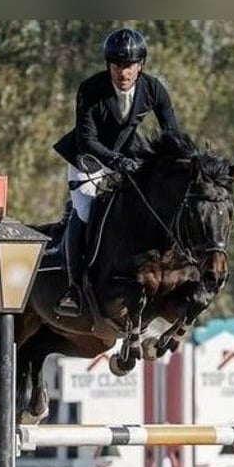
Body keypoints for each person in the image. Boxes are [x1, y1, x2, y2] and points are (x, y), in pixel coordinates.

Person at [52, 27, 180, 316]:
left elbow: (172, 133)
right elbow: (87, 140)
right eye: (117, 65)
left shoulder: (153, 89)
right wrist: (116, 161)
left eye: (129, 66)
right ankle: (73, 287)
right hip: (88, 160)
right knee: (84, 210)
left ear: (140, 66)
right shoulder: (90, 89)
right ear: (108, 65)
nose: (123, 73)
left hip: (128, 153)